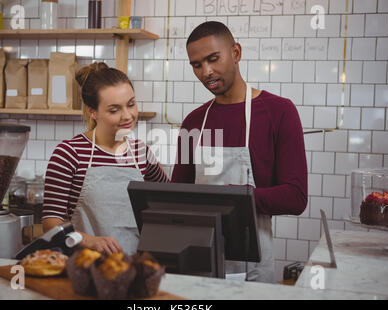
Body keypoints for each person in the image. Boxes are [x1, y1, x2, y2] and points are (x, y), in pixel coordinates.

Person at [171, 21, 308, 283]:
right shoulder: (193, 122)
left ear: (236, 53)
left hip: (253, 263)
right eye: (197, 65)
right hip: (199, 259)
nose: (206, 72)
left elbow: (296, 196)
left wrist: (237, 198)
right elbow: (179, 192)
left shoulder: (279, 112)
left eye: (213, 59)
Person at [42, 62, 169, 255]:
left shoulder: (141, 153)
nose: (127, 116)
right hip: (83, 266)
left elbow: (168, 202)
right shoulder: (69, 153)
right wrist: (89, 241)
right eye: (114, 110)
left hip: (134, 267)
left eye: (131, 104)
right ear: (93, 112)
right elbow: (51, 224)